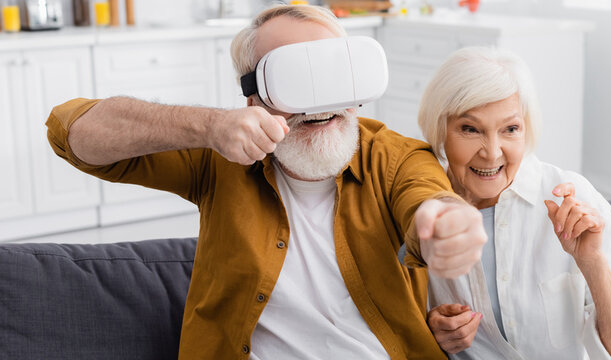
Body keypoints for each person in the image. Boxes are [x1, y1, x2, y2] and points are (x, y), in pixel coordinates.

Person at [45, 5, 488, 360]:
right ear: (252, 93)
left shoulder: (396, 156)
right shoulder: (219, 155)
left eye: (332, 73)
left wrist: (444, 222)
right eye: (295, 78)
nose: (319, 102)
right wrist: (207, 125)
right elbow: (70, 132)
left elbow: (427, 199)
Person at [410, 47, 611, 359]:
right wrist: (429, 331)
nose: (492, 153)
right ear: (441, 129)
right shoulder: (419, 211)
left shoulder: (573, 197)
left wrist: (592, 263)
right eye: (470, 129)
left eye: (510, 129)